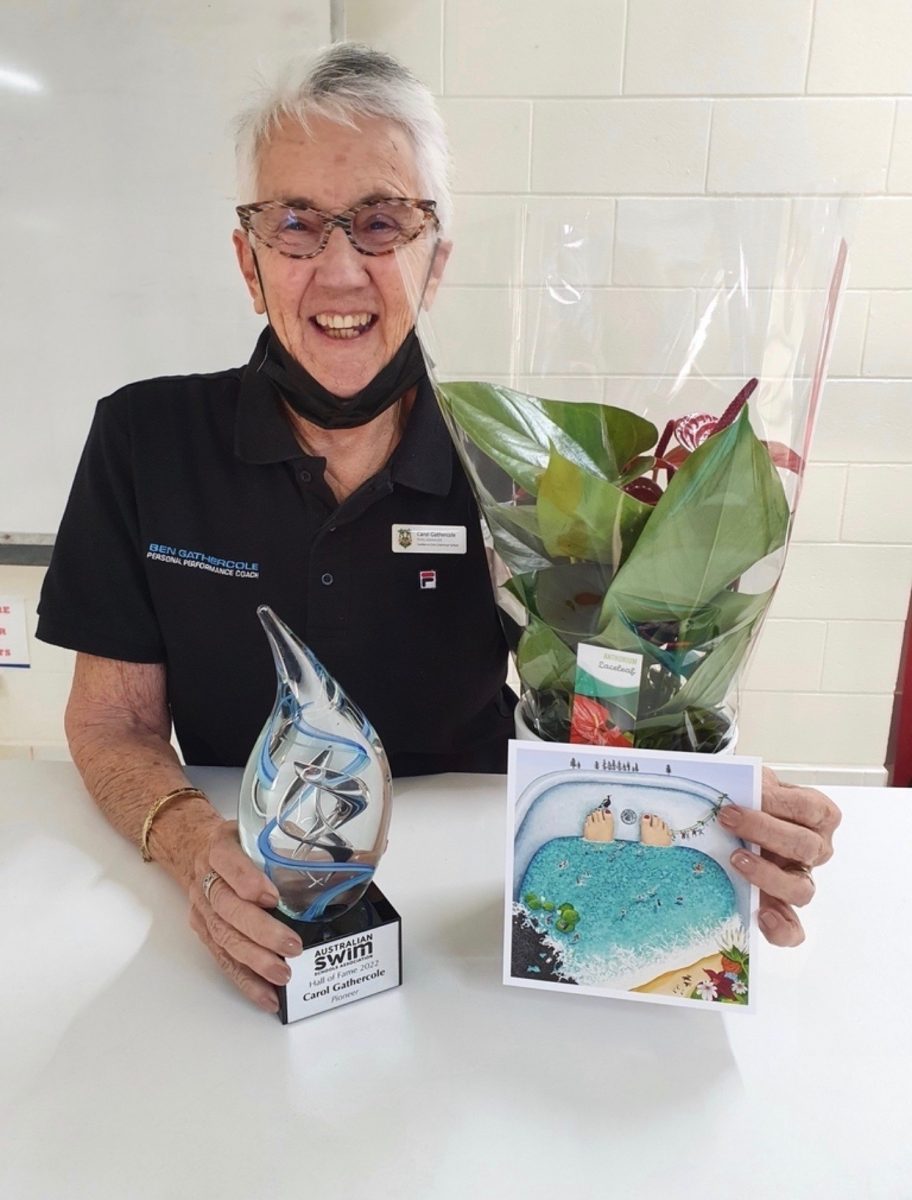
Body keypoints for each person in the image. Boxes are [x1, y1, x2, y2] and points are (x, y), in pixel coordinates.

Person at [37, 44, 840, 1014]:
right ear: (249, 263)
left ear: (436, 259)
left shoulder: (532, 471)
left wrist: (718, 805)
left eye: (382, 223)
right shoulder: (144, 440)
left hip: (484, 930)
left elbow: (624, 703)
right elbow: (108, 722)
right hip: (239, 919)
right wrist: (190, 840)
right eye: (295, 225)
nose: (339, 270)